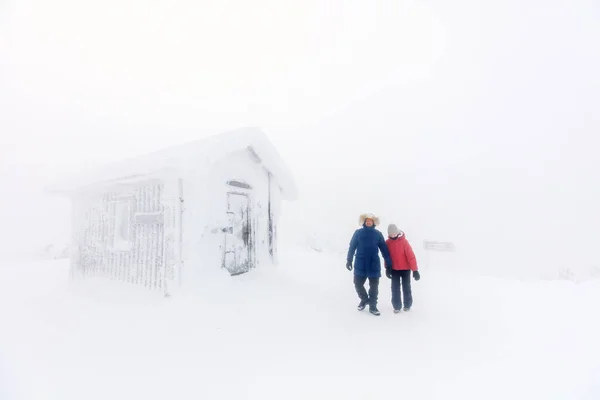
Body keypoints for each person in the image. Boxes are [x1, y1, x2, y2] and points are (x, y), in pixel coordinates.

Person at [346, 213, 393, 316]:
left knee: (374, 287)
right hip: (360, 263)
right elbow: (352, 246)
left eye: (370, 221)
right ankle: (364, 299)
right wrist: (349, 260)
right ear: (364, 222)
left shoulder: (378, 234)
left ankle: (373, 306)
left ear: (373, 222)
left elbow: (384, 250)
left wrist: (388, 264)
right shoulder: (358, 233)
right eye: (367, 220)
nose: (368, 222)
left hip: (373, 263)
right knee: (357, 283)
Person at [385, 224, 420, 313]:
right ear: (389, 234)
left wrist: (415, 270)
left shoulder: (404, 242)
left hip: (405, 269)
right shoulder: (387, 243)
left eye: (394, 233)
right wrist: (387, 268)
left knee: (406, 287)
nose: (393, 235)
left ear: (397, 232)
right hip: (394, 269)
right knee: (395, 288)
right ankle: (396, 306)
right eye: (391, 234)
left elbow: (411, 256)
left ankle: (407, 305)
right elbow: (387, 256)